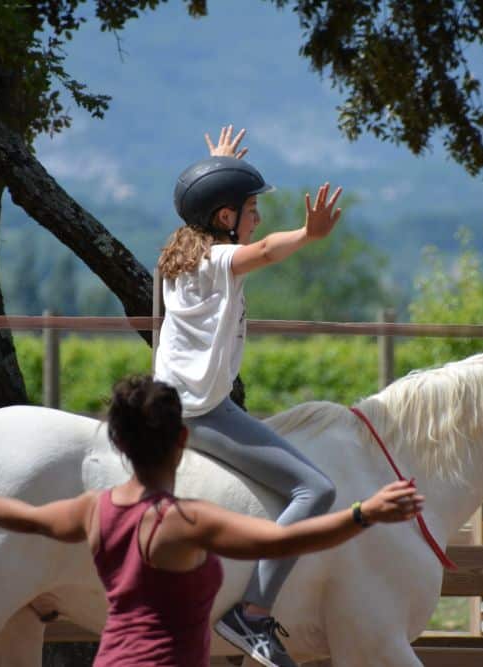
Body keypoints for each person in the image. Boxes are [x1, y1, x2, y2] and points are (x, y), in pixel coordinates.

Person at [0, 376, 423, 667]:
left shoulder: (93, 510)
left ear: (118, 445)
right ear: (183, 442)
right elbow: (283, 539)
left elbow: (25, 518)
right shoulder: (186, 521)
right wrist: (364, 513)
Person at [154, 125, 344, 666]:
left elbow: (201, 212)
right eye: (251, 209)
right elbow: (261, 251)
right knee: (316, 490)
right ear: (224, 217)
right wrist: (307, 234)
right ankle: (253, 612)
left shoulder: (180, 258)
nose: (257, 219)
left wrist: (217, 169)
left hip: (177, 404)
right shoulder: (218, 262)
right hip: (200, 412)